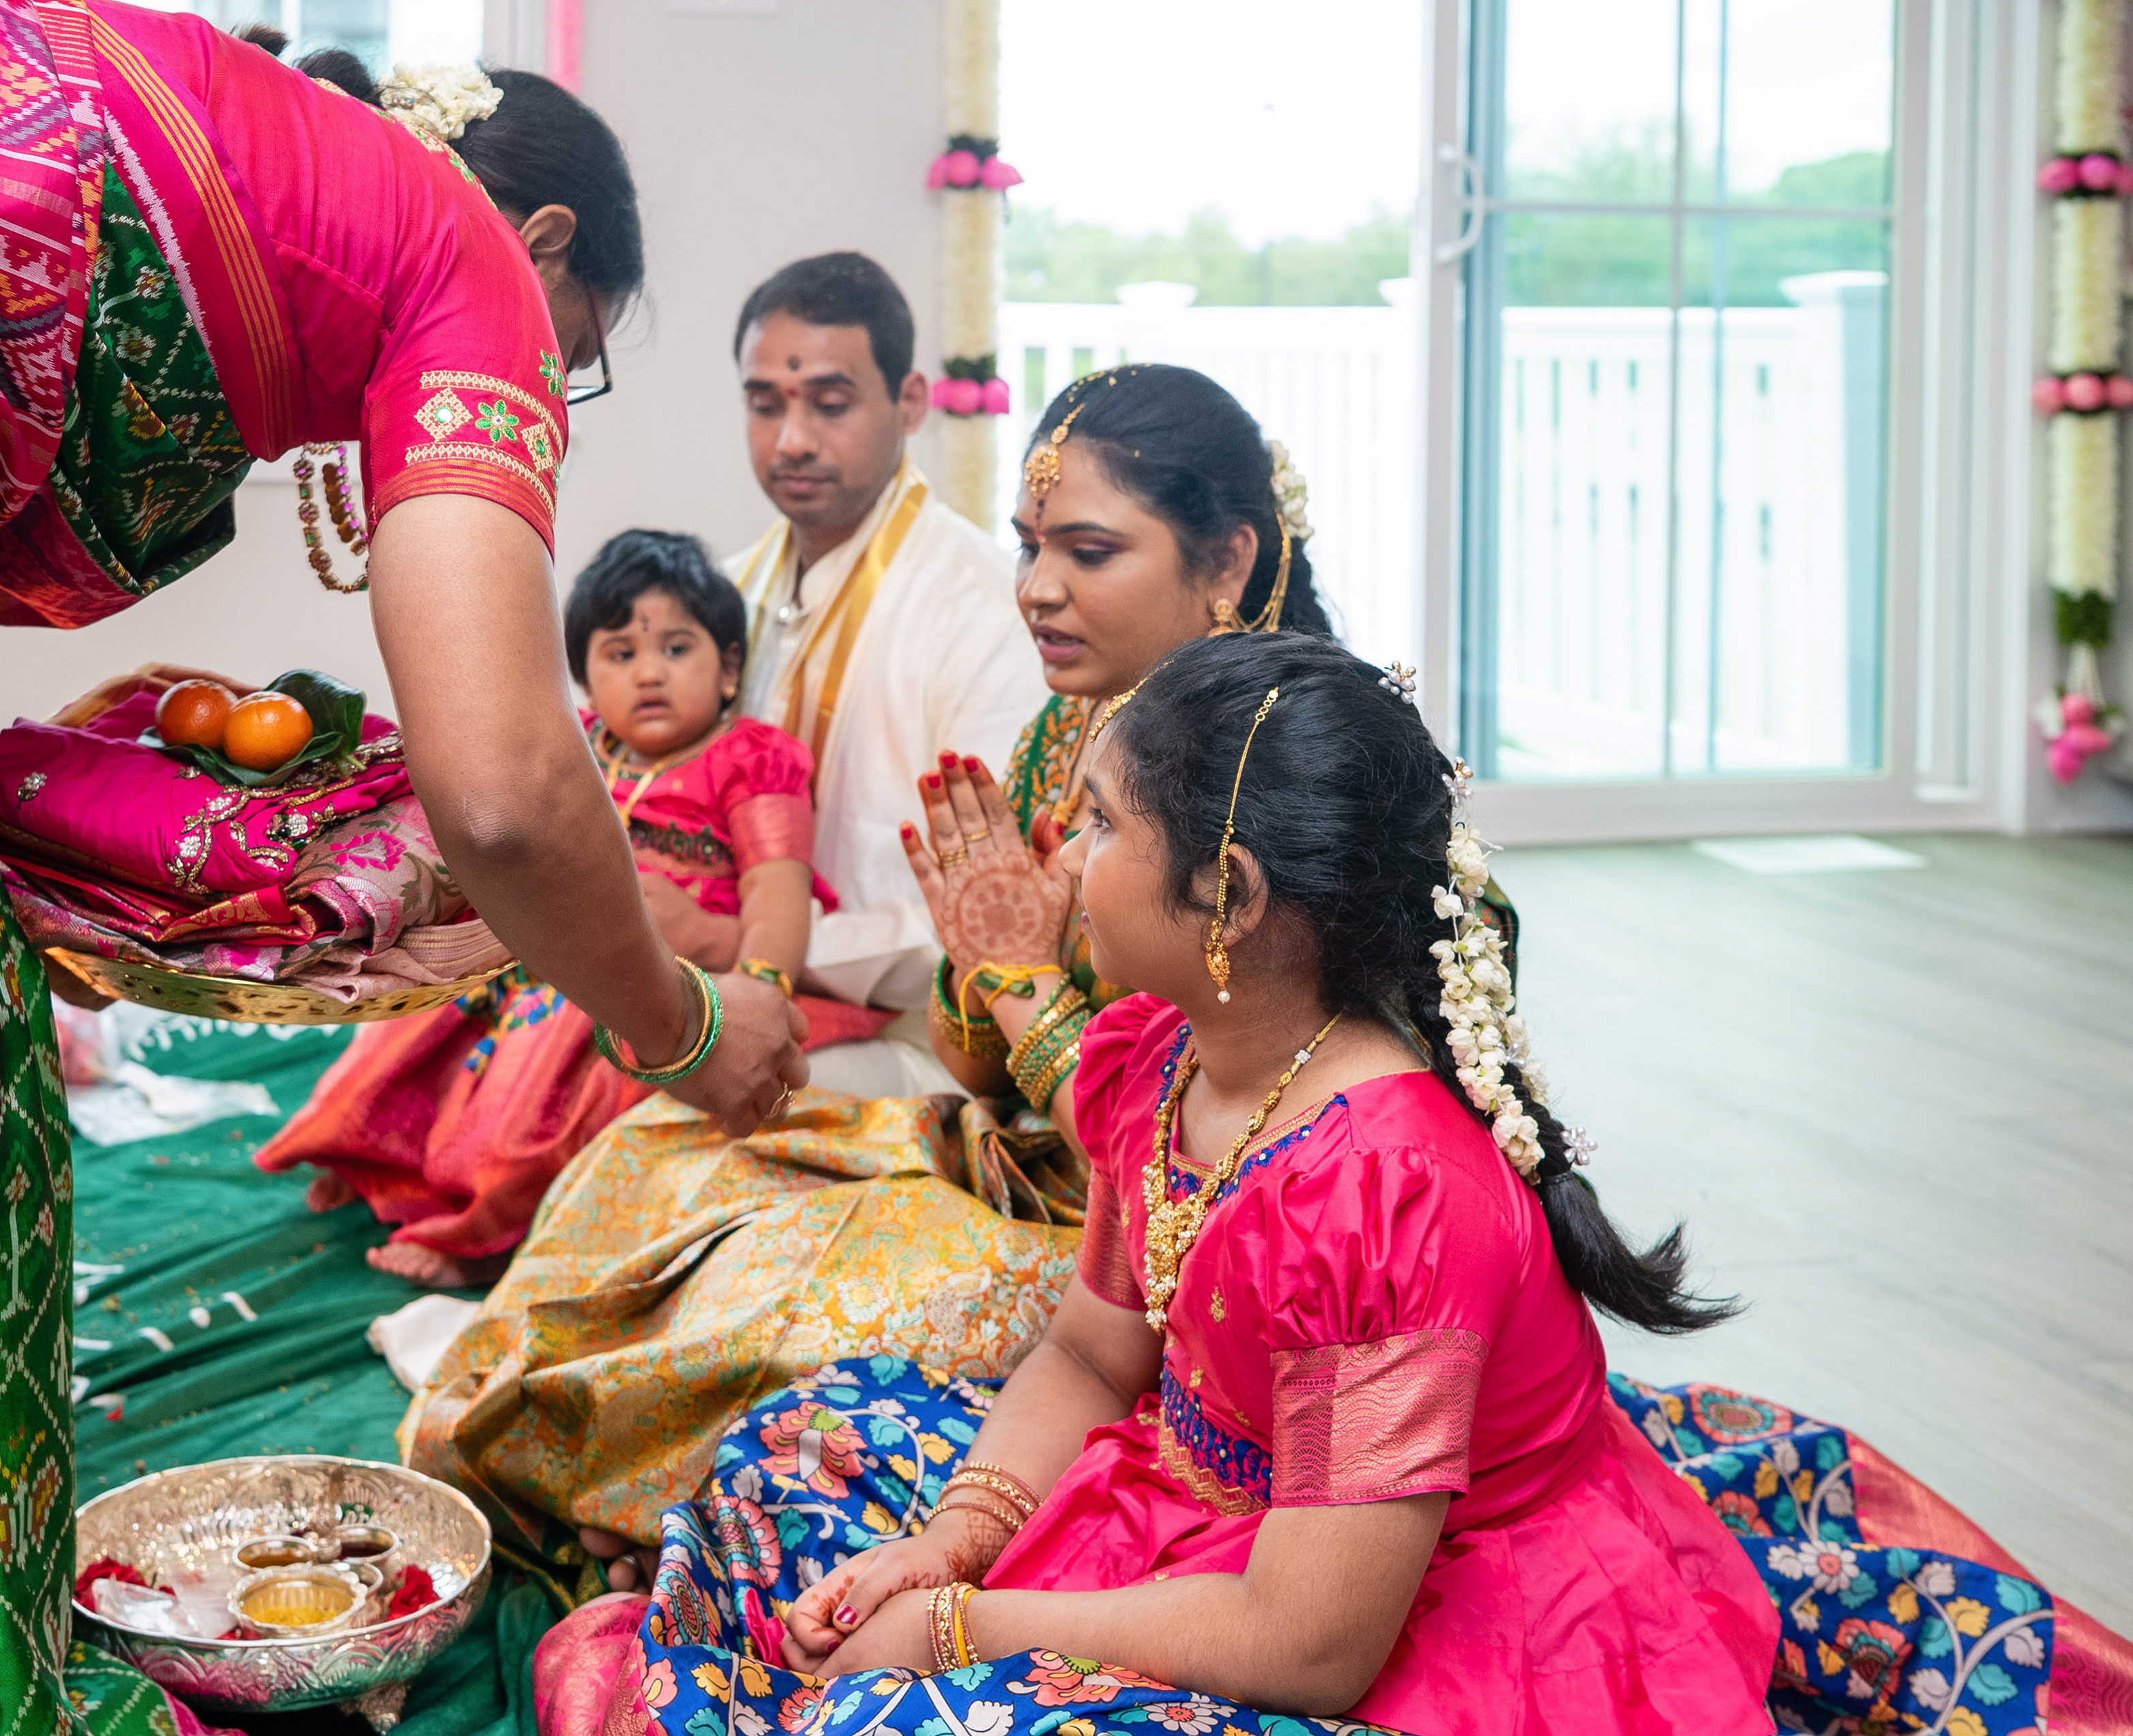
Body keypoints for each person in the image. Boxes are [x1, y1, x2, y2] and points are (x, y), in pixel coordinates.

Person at [0, 12, 801, 1733]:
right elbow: (508, 792)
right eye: (571, 356)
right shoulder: (464, 257)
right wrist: (679, 1028)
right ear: (548, 244)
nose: (549, 389)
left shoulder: (233, 116)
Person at [534, 633, 2133, 1736]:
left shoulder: (1387, 1188)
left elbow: (1312, 1641)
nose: (1060, 860)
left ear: (1224, 893)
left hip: (1404, 1619)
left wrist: (963, 1630)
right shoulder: (1163, 1054)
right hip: (1211, 1512)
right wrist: (952, 1540)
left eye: (1096, 825)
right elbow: (1093, 1349)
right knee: (793, 1445)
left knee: (905, 1708)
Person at [398, 366, 1330, 1581]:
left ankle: (661, 1505)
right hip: (1029, 1161)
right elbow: (972, 1061)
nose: (1037, 588)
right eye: (1028, 545)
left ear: (1227, 561)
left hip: (1178, 1272)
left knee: (815, 1301)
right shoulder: (1072, 731)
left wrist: (1022, 983)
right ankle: (630, 1485)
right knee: (664, 1157)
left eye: (1089, 551)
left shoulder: (1283, 786)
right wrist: (982, 970)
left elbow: (1233, 1178)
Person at [254, 531, 889, 1286]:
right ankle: (379, 1172)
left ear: (728, 669)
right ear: (582, 679)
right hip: (539, 957)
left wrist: (757, 991)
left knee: (533, 1097)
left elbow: (777, 890)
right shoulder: (577, 746)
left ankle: (482, 1235)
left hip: (654, 981)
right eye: (620, 654)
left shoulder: (752, 758)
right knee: (403, 1037)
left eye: (676, 649)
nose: (649, 672)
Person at [655, 252, 1047, 1093]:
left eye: (829, 404)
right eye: (766, 404)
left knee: (655, 1117)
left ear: (910, 402)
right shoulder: (722, 600)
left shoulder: (986, 614)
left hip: (918, 1044)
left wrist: (734, 943)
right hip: (714, 996)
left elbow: (996, 916)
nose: (793, 440)